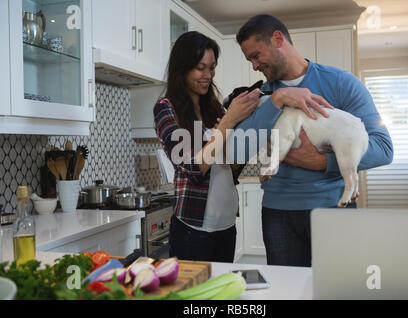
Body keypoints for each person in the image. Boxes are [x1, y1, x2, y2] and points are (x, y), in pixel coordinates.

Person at [229, 15, 394, 267]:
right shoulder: (261, 96)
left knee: (337, 288)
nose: (254, 66)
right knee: (288, 291)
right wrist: (277, 99)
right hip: (278, 214)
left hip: (334, 210)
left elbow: (383, 149)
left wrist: (321, 162)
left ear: (277, 39)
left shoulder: (341, 84)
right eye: (249, 59)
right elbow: (237, 150)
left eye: (256, 55)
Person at [153, 31, 261, 262]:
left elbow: (233, 166)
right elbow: (191, 168)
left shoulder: (216, 108)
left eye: (212, 68)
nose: (208, 75)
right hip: (193, 229)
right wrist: (229, 123)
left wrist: (238, 132)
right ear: (182, 69)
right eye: (201, 68)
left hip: (227, 224)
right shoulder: (166, 108)